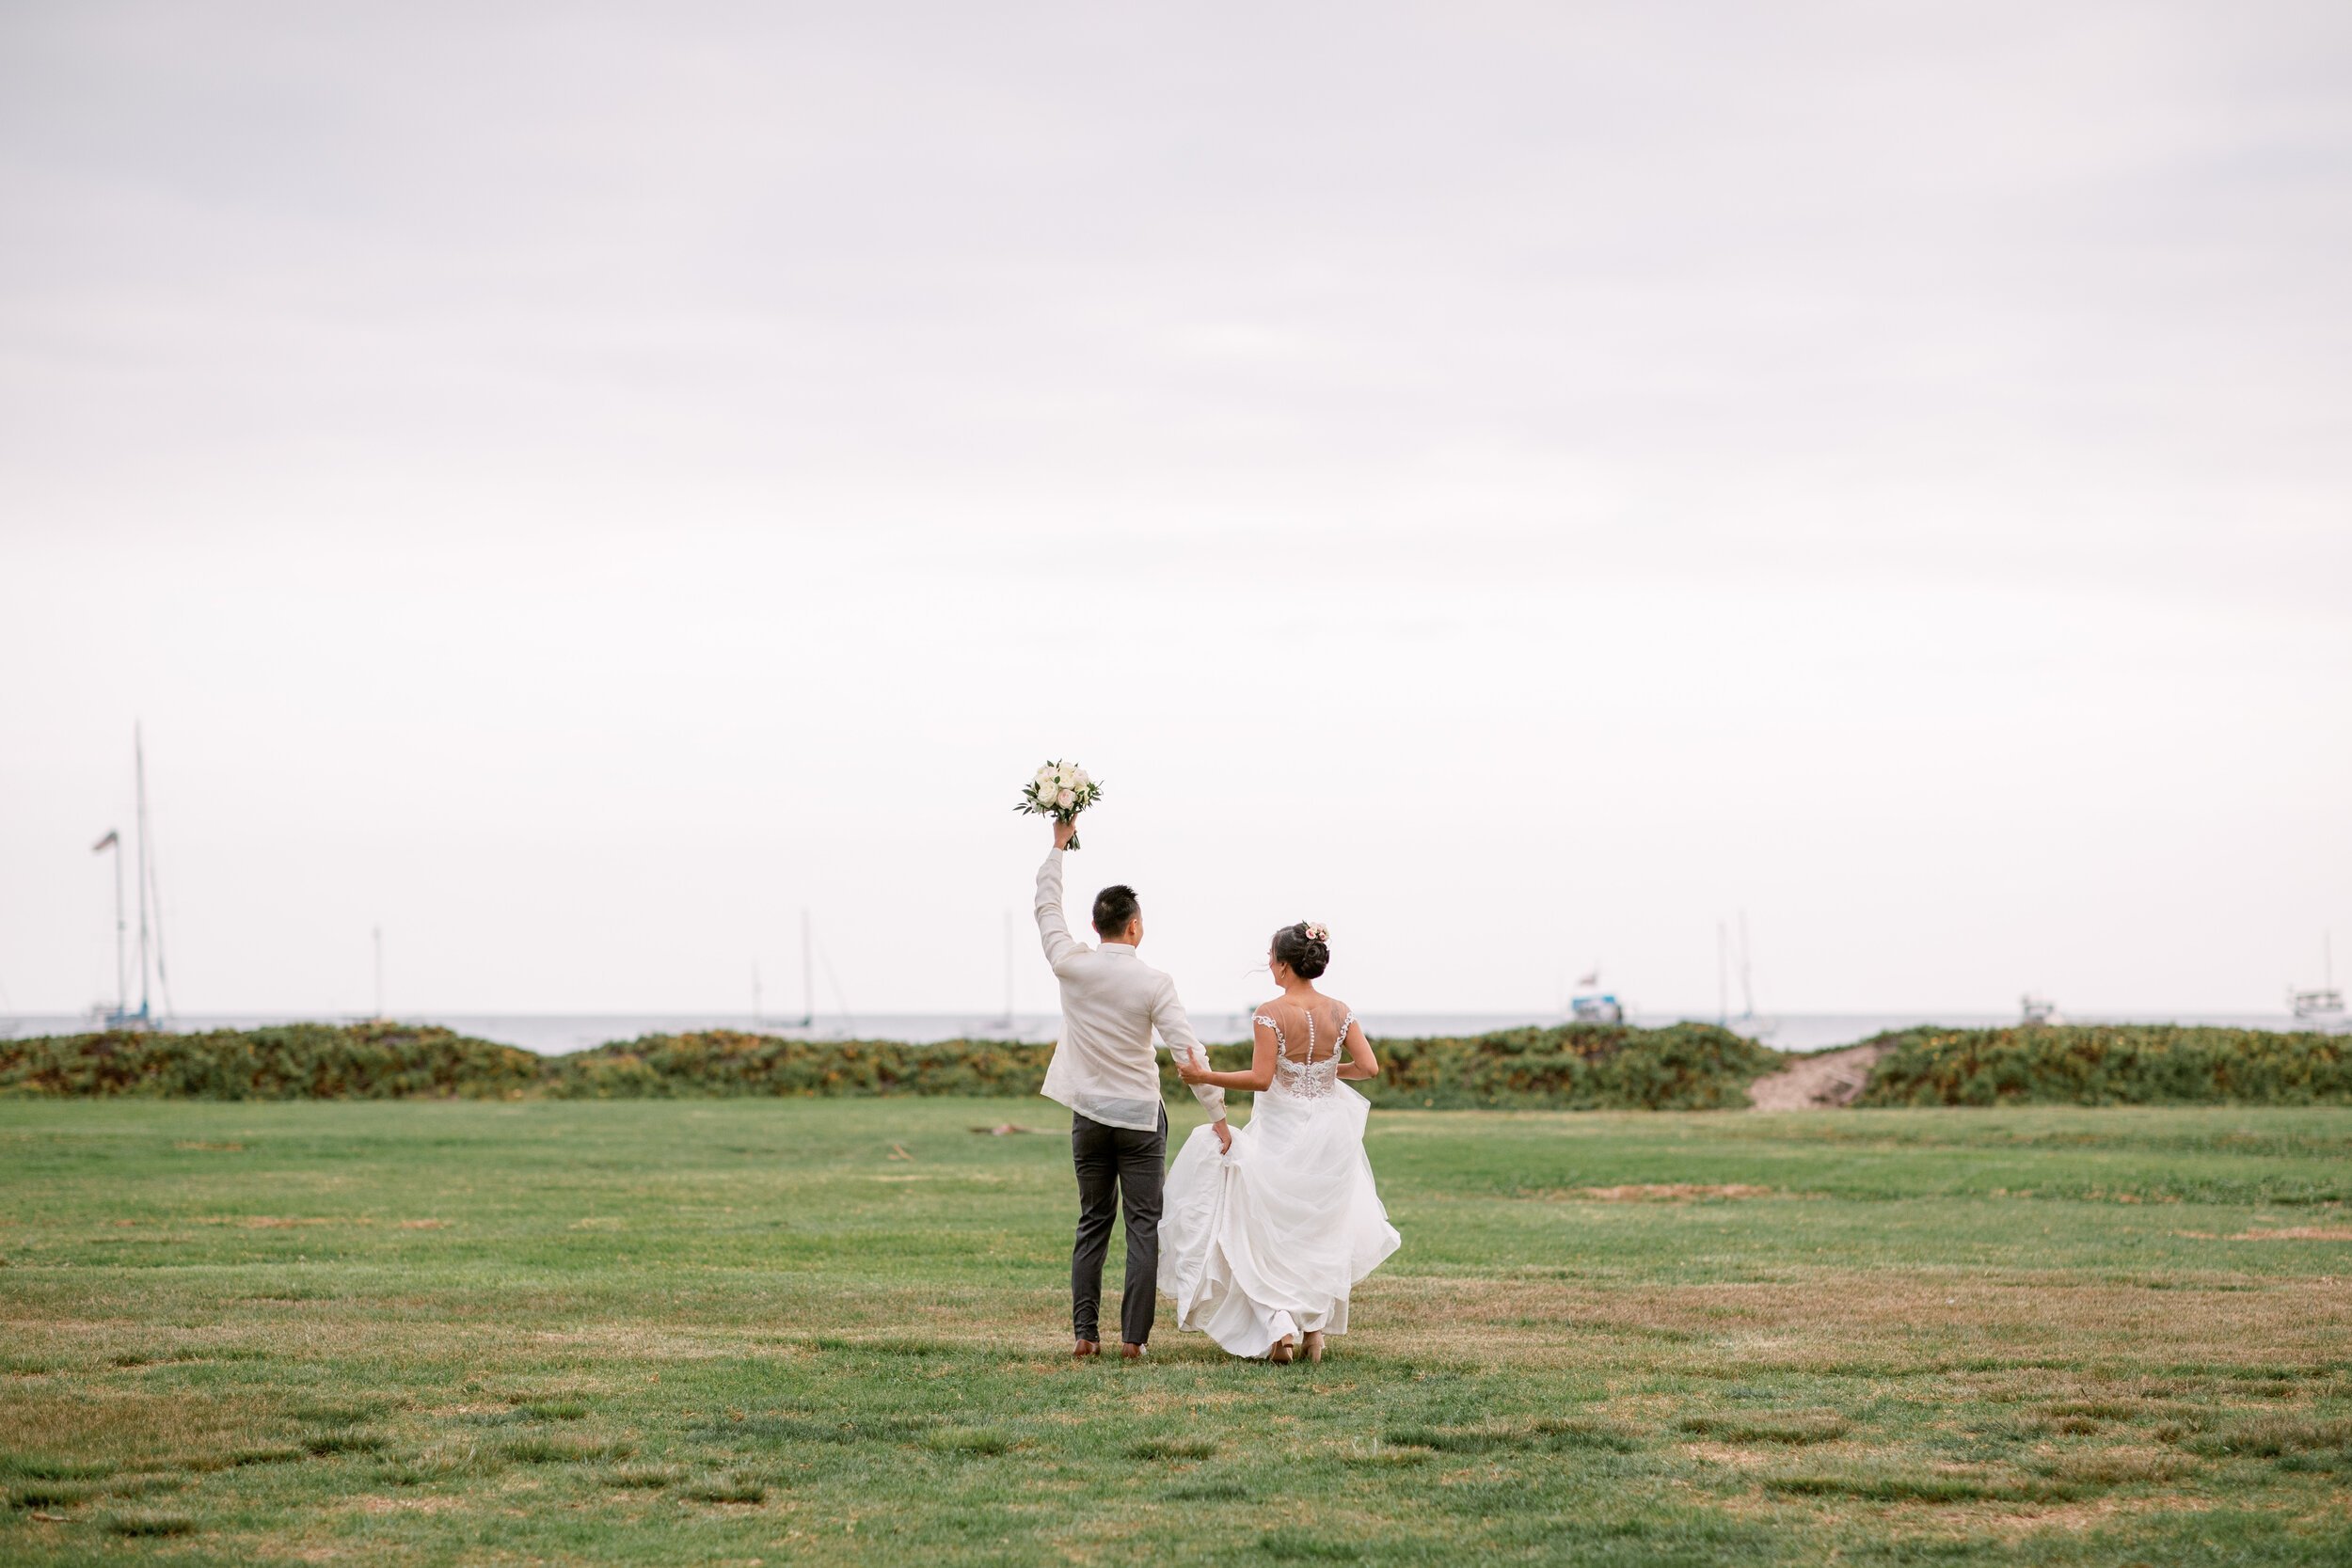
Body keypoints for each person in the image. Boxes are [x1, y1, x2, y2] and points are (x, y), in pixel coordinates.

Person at [1034, 815, 1231, 1360]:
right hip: (1141, 1118)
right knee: (1143, 1227)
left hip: (1089, 1115)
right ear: (1134, 928)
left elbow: (1047, 912)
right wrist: (1216, 1112)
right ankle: (1133, 1342)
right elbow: (1189, 1053)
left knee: (1092, 1221)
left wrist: (1057, 848)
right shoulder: (1153, 982)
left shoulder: (1070, 965)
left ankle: (1084, 1334)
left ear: (1096, 928)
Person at [1166, 921, 1401, 1363]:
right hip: (1331, 1130)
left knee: (1268, 1226)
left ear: (1286, 965)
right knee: (1319, 1228)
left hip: (1281, 1128)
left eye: (1272, 958)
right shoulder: (1339, 1010)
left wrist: (1203, 1076)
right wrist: (1329, 1073)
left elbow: (1261, 1079)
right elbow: (1368, 1068)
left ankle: (1281, 1327)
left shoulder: (1270, 1013)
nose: (1270, 965)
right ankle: (1314, 1331)